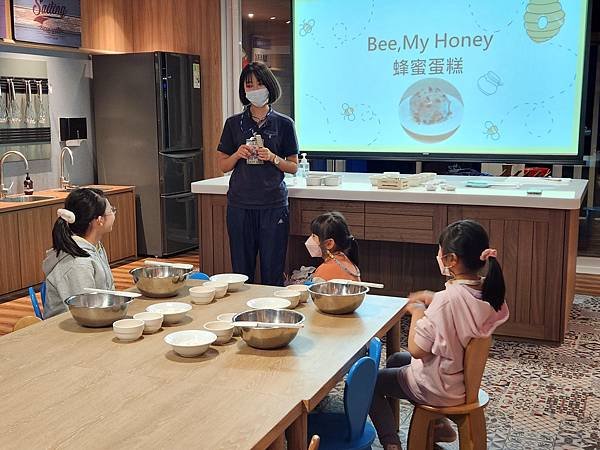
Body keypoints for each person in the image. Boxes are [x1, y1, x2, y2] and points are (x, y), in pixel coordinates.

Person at [369, 220, 510, 450]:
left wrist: (418, 312)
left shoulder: (446, 301)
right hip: (462, 379)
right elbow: (460, 306)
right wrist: (431, 297)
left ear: (451, 259)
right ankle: (438, 427)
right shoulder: (488, 292)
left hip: (439, 387)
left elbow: (417, 349)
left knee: (371, 382)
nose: (438, 254)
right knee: (396, 360)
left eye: (440, 250)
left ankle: (390, 443)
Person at [216, 61, 299, 286]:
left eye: (259, 84)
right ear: (244, 90)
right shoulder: (234, 123)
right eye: (249, 85)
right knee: (242, 273)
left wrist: (272, 157)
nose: (255, 89)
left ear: (270, 87)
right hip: (240, 205)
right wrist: (237, 154)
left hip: (273, 205)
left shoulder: (284, 124)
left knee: (273, 270)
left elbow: (293, 166)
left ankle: (272, 317)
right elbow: (223, 165)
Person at [42, 188, 116, 318]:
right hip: (69, 331)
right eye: (111, 211)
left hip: (97, 317)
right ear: (99, 220)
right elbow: (85, 312)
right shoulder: (78, 264)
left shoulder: (95, 247)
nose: (114, 214)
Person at [306, 211, 360, 282]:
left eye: (314, 236)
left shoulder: (323, 271)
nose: (310, 239)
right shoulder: (348, 262)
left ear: (329, 244)